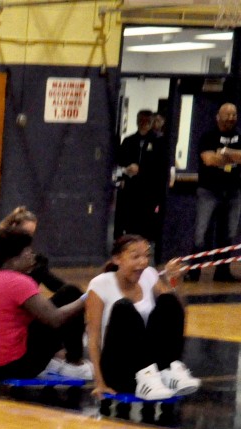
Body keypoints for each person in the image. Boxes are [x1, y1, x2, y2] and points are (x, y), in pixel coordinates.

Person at [85, 235, 200, 400]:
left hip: (154, 367)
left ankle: (169, 371)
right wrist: (100, 382)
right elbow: (94, 337)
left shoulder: (149, 275)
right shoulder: (99, 285)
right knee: (124, 307)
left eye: (146, 256)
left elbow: (177, 312)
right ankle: (146, 378)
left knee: (168, 300)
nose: (143, 262)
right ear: (117, 259)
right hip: (120, 368)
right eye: (135, 256)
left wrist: (174, 281)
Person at [0, 228, 91, 381]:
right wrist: (88, 297)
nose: (33, 256)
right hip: (16, 366)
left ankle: (55, 360)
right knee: (71, 293)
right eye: (28, 252)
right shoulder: (18, 282)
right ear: (13, 259)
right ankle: (75, 364)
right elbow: (55, 319)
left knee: (42, 311)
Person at [191, 102, 241, 283]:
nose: (231, 118)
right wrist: (234, 156)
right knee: (201, 233)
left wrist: (225, 152)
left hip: (233, 192)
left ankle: (223, 271)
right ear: (218, 117)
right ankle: (194, 271)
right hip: (209, 192)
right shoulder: (208, 136)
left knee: (228, 233)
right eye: (227, 114)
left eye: (234, 114)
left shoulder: (239, 135)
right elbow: (209, 159)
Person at [0, 206, 73, 292]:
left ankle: (67, 291)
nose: (28, 236)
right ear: (14, 225)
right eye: (26, 232)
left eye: (31, 234)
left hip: (1, 281)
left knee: (39, 264)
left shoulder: (14, 241)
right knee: (38, 267)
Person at [114, 110, 169, 255]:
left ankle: (145, 254)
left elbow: (161, 168)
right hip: (131, 191)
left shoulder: (159, 142)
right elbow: (119, 162)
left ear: (152, 122)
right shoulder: (129, 141)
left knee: (147, 227)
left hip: (149, 192)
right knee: (130, 225)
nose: (144, 124)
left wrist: (142, 170)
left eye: (147, 121)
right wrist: (127, 169)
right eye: (141, 120)